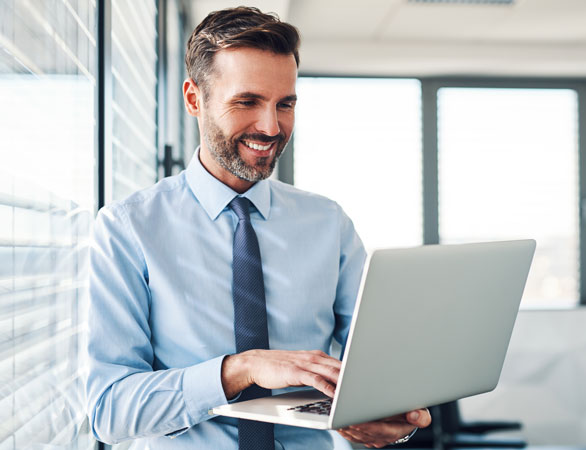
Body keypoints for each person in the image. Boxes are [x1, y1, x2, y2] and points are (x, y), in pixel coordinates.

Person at [86, 6, 431, 449]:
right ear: (194, 99)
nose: (271, 127)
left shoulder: (329, 224)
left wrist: (392, 417)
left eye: (284, 104)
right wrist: (238, 370)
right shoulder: (127, 228)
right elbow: (109, 411)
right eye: (247, 102)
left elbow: (377, 369)